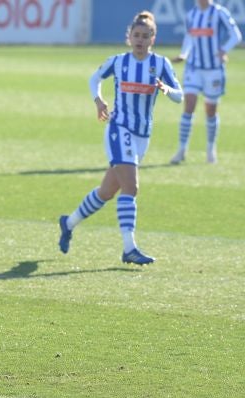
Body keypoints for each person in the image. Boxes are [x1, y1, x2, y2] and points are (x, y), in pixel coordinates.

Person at [57, 11, 182, 266]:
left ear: (152, 39)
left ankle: (68, 223)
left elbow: (180, 95)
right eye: (136, 35)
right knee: (131, 187)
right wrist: (98, 100)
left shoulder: (161, 65)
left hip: (142, 135)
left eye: (145, 36)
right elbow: (95, 78)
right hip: (119, 128)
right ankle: (129, 248)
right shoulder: (118, 62)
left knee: (107, 191)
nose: (140, 39)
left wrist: (167, 89)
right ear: (129, 37)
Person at [170, 0, 242, 165]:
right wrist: (184, 54)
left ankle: (210, 150)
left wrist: (224, 50)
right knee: (188, 106)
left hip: (213, 69)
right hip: (194, 68)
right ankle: (181, 150)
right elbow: (189, 36)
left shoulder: (219, 12)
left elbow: (236, 35)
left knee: (210, 111)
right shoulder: (191, 15)